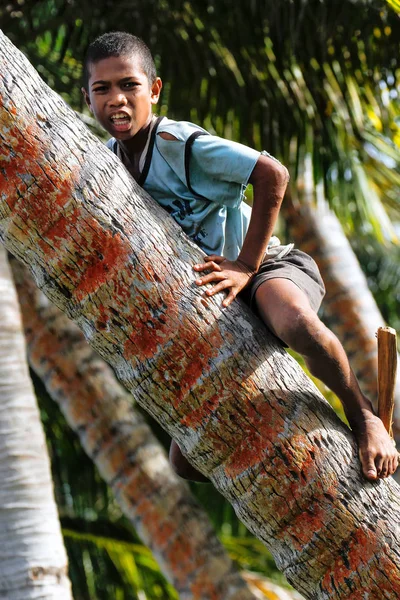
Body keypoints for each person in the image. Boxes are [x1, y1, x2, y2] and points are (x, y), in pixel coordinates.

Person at [82, 31, 398, 482]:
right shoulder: (110, 163)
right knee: (184, 462)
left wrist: (247, 265)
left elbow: (272, 174)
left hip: (267, 265)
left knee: (295, 323)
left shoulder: (176, 143)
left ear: (154, 90)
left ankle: (362, 413)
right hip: (219, 295)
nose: (117, 99)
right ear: (87, 97)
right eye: (102, 89)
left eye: (129, 85)